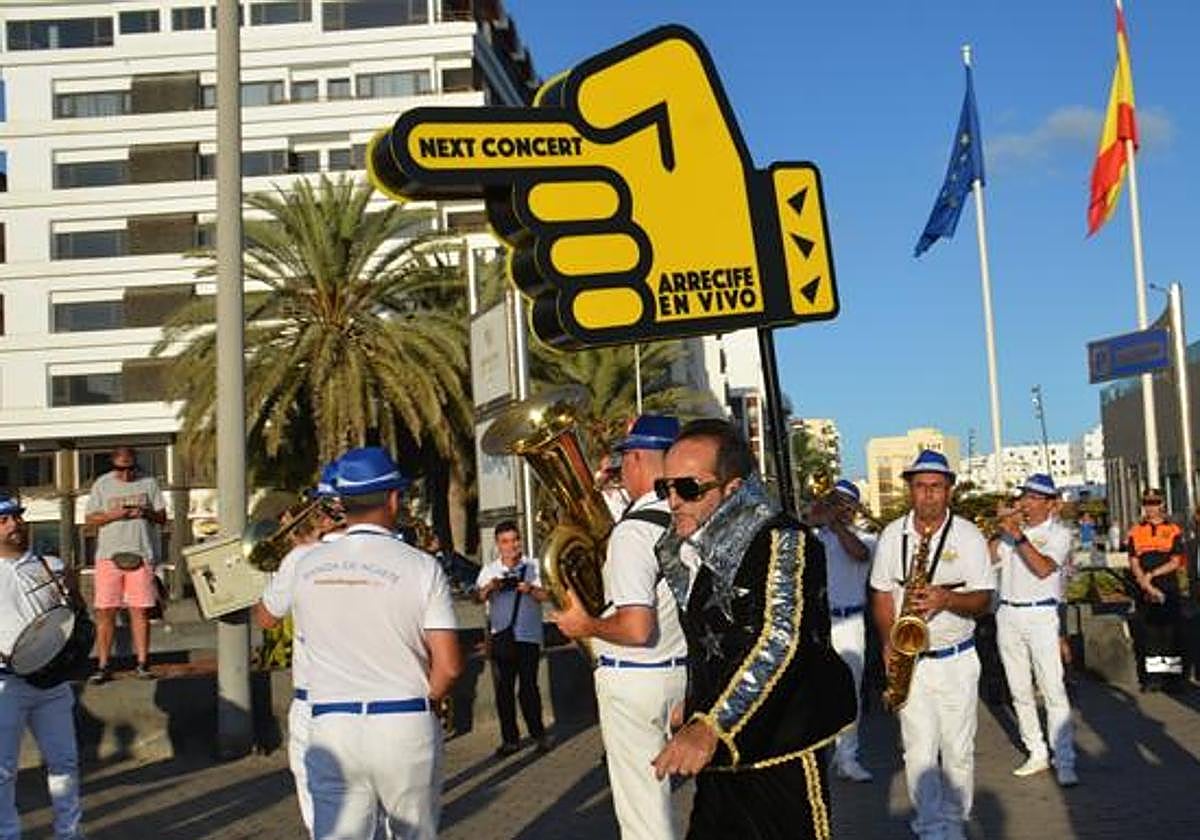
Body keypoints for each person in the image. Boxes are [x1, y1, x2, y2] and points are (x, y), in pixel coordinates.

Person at [650, 419, 856, 839]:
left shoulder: (783, 541)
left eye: (688, 488)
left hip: (781, 756)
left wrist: (711, 725)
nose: (672, 501)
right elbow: (713, 642)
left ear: (732, 488)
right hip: (721, 757)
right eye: (664, 488)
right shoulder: (687, 548)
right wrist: (693, 702)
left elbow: (780, 640)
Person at [292, 447, 462, 839]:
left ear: (343, 503)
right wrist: (429, 700)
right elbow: (450, 665)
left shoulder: (305, 567)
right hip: (402, 719)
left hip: (331, 724)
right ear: (392, 498)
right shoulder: (422, 566)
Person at [551, 415, 687, 840]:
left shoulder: (631, 533)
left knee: (643, 815)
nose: (620, 471)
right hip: (679, 673)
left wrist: (584, 623)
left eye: (624, 459)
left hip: (634, 682)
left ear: (639, 459)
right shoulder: (693, 520)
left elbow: (635, 627)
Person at [869, 449, 994, 840]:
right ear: (911, 489)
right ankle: (929, 828)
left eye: (936, 487)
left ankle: (955, 824)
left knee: (958, 750)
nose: (928, 495)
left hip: (957, 659)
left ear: (949, 491)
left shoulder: (968, 535)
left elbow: (984, 600)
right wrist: (889, 643)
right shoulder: (893, 535)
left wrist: (946, 600)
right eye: (920, 487)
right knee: (918, 752)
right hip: (913, 661)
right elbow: (881, 594)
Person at [253, 462, 342, 836]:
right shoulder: (401, 554)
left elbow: (266, 619)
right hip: (379, 697)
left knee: (320, 797)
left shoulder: (300, 559)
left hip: (317, 700)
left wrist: (294, 552)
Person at [0, 495, 85, 839]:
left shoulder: (50, 565)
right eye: (3, 520)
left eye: (17, 517)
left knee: (64, 762)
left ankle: (70, 832)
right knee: (3, 771)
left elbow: (70, 616)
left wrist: (75, 595)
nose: (14, 525)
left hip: (52, 683)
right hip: (6, 684)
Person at [989, 474, 1077, 787]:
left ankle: (1064, 757)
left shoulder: (1059, 534)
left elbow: (1042, 568)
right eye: (1024, 496)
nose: (1025, 502)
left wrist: (1019, 536)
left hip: (1041, 614)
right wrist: (1001, 530)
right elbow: (986, 560)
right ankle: (1036, 751)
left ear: (1050, 504)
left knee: (1052, 688)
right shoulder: (1013, 534)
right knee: (1019, 690)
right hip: (1008, 613)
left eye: (1034, 497)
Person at [807, 479, 876, 783]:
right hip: (819, 623)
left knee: (850, 693)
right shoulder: (815, 535)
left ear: (854, 508)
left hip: (850, 623)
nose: (837, 507)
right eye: (833, 500)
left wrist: (836, 527)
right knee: (815, 692)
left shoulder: (867, 537)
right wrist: (817, 518)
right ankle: (818, 755)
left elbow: (859, 554)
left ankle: (848, 756)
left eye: (843, 503)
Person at [85, 446, 166, 682]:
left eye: (131, 468)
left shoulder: (149, 483)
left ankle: (142, 663)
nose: (127, 473)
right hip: (109, 557)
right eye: (121, 469)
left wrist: (145, 512)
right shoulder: (102, 484)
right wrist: (115, 515)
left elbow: (162, 518)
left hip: (141, 555)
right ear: (113, 466)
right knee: (105, 611)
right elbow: (90, 520)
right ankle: (103, 664)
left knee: (140, 611)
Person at [476, 521, 551, 756]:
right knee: (504, 691)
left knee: (529, 689)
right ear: (498, 544)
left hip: (528, 636)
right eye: (506, 541)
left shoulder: (534, 567)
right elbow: (477, 598)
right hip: (501, 637)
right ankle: (510, 740)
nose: (512, 546)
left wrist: (529, 589)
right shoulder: (490, 569)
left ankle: (539, 735)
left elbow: (547, 595)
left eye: (515, 540)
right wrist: (492, 587)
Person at [1125, 488, 1187, 692]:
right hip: (1144, 589)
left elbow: (1176, 561)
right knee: (1148, 633)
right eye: (1147, 503)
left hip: (1167, 587)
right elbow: (1133, 561)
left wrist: (1151, 576)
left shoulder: (1174, 530)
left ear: (1162, 504)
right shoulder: (1136, 530)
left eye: (1154, 503)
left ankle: (1172, 679)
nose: (1151, 507)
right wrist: (1146, 584)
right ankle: (1153, 678)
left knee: (1169, 632)